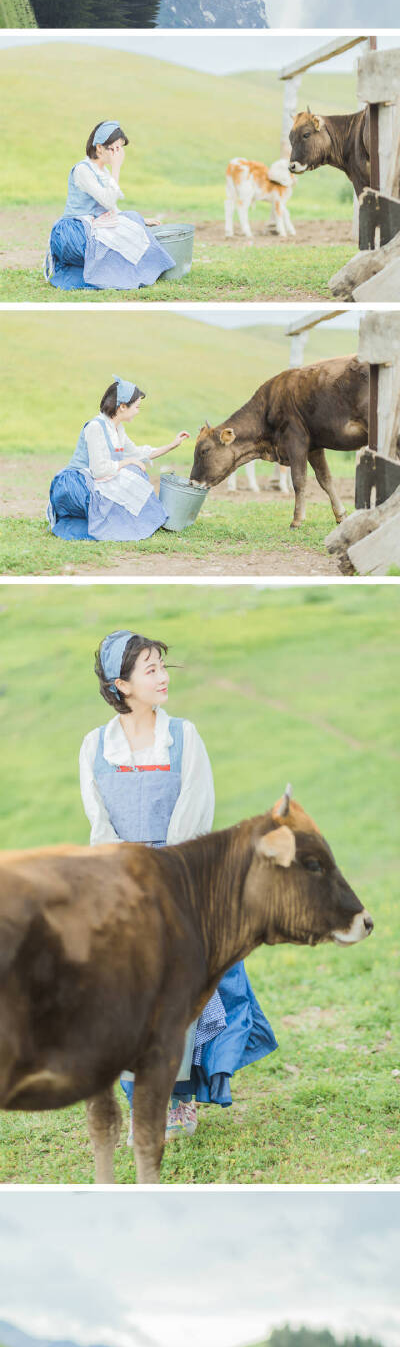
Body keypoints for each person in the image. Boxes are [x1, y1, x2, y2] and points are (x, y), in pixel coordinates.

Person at [79, 629, 277, 1141]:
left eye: (162, 666)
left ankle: (180, 1100)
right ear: (121, 684)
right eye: (150, 670)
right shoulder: (94, 746)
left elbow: (195, 812)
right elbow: (99, 825)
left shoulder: (184, 737)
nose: (163, 677)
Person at [45, 117, 176, 289]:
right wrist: (116, 168)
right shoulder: (83, 170)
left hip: (91, 226)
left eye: (120, 149)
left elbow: (112, 209)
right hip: (73, 232)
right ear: (99, 148)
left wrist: (140, 220)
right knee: (124, 228)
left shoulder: (102, 171)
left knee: (132, 217)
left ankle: (150, 268)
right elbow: (107, 199)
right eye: (114, 149)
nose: (118, 154)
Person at [71, 374, 187, 543]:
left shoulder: (118, 429)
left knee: (134, 470)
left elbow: (137, 453)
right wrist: (127, 462)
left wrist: (171, 445)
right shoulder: (96, 427)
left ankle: (146, 520)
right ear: (123, 407)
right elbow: (99, 470)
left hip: (97, 480)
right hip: (79, 483)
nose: (138, 411)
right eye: (137, 407)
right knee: (132, 470)